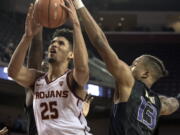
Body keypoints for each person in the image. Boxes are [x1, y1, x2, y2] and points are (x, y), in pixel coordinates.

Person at [71, 0, 180, 134]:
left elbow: (101, 43)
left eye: (134, 64)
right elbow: (173, 104)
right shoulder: (159, 104)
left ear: (145, 74)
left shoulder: (129, 83)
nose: (129, 66)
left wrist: (78, 4)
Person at [8, 2, 92, 135]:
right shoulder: (37, 80)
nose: (54, 45)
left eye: (61, 43)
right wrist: (27, 37)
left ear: (71, 55)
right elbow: (13, 72)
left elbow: (82, 68)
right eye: (53, 42)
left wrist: (76, 24)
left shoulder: (71, 79)